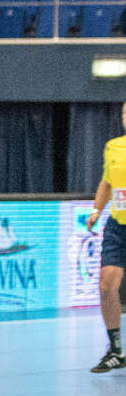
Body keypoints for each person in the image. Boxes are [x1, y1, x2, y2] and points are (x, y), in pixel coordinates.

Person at [86, 112, 126, 371]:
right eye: (124, 113)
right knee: (106, 285)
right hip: (117, 227)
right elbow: (107, 182)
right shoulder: (113, 146)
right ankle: (116, 350)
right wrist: (96, 210)